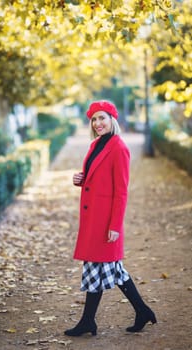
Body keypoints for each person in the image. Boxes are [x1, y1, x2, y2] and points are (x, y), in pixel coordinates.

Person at [64, 100, 157, 337]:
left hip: (105, 221)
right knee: (113, 270)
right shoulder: (96, 144)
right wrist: (81, 180)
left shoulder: (119, 148)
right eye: (94, 119)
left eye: (102, 118)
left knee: (97, 266)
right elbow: (97, 178)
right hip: (94, 216)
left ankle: (88, 321)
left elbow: (121, 191)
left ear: (112, 120)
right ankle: (142, 310)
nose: (97, 123)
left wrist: (115, 225)